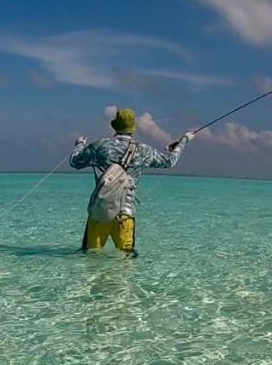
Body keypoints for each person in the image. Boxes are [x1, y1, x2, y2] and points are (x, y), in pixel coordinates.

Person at [70, 107, 194, 257]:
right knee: (125, 266)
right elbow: (169, 162)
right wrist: (183, 141)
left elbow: (75, 162)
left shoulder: (100, 146)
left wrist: (79, 145)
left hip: (99, 213)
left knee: (90, 259)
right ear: (132, 128)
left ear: (115, 126)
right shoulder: (143, 151)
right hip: (125, 216)